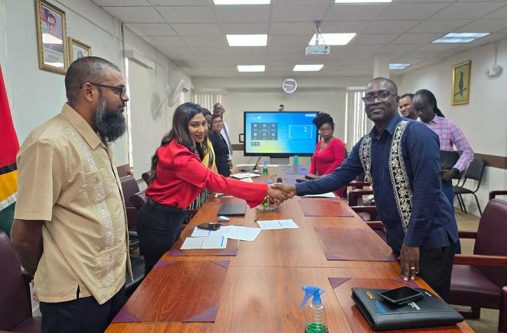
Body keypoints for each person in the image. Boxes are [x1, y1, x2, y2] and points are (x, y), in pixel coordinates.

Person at [274, 77, 459, 301]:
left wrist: (412, 242)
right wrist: (295, 189)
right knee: (405, 305)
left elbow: (427, 193)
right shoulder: (367, 143)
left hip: (429, 240)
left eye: (383, 95)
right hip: (399, 238)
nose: (375, 101)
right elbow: (339, 176)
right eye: (369, 97)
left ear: (396, 99)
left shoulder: (417, 134)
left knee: (432, 310)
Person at [11, 56, 130, 333]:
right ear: (89, 91)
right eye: (119, 90)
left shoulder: (96, 138)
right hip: (74, 296)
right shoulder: (49, 143)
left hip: (110, 283)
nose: (125, 99)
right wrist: (50, 272)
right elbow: (25, 234)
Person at [137, 102, 287, 274]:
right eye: (194, 125)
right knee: (158, 275)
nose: (201, 129)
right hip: (160, 221)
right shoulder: (180, 156)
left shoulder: (180, 145)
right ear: (181, 126)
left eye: (203, 124)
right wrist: (264, 190)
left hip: (168, 216)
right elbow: (215, 181)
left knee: (168, 270)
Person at [413, 89, 473, 207]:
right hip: (417, 181)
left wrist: (455, 170)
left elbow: (467, 151)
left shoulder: (448, 125)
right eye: (416, 110)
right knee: (420, 218)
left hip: (442, 181)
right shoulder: (411, 126)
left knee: (444, 218)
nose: (419, 113)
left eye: (423, 108)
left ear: (432, 105)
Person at [307, 112, 346, 197]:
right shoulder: (319, 143)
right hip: (320, 180)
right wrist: (311, 173)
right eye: (322, 130)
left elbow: (338, 162)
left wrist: (326, 175)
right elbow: (314, 159)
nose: (324, 132)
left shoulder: (338, 143)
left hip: (334, 181)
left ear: (332, 129)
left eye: (327, 129)